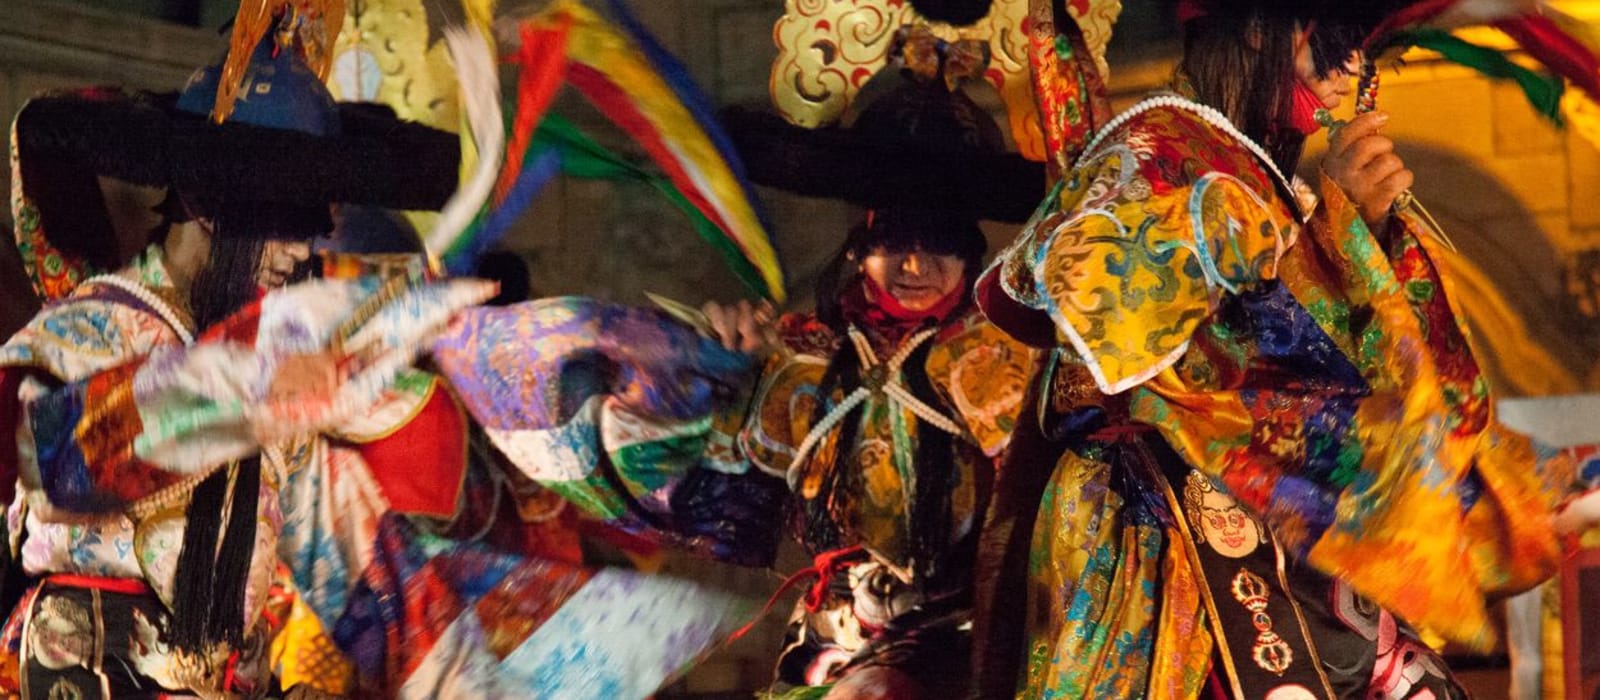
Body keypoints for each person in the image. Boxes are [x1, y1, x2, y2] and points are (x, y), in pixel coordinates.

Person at [969, 0, 1568, 697]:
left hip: (1277, 534)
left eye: (1365, 50)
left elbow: (1345, 368)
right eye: (1340, 41)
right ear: (1258, 28)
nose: (1354, 70)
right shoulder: (1153, 146)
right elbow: (1135, 329)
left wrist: (1360, 236)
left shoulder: (1253, 171)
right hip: (1161, 537)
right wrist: (1332, 241)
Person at [429, 59, 1039, 699]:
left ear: (974, 251)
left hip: (979, 631)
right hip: (837, 638)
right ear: (861, 248)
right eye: (897, 241)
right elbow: (715, 497)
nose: (915, 264)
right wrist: (714, 372)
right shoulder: (806, 353)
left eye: (938, 243)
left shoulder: (1011, 355)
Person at [0, 13, 477, 696]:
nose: (300, 252)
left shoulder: (271, 359)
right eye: (284, 226)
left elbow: (353, 561)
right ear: (209, 210)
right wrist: (234, 389)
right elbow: (42, 456)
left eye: (311, 229)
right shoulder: (93, 327)